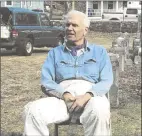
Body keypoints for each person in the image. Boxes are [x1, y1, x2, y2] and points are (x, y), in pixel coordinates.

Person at [22, 10, 113, 136]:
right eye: (67, 25)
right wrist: (64, 94)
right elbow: (46, 81)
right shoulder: (54, 53)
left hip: (91, 98)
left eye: (74, 25)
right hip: (62, 99)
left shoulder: (100, 52)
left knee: (100, 110)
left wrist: (87, 96)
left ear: (85, 30)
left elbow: (106, 80)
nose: (69, 28)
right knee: (32, 111)